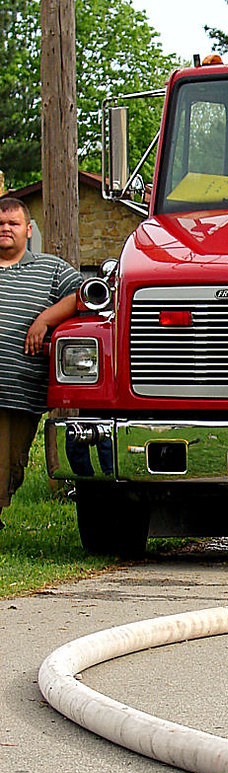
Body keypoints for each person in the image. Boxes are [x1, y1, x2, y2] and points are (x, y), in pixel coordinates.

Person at [0, 196, 82, 530]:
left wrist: (46, 319)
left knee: (7, 464)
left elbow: (88, 293)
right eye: (0, 224)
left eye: (13, 224)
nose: (5, 229)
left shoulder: (50, 269)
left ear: (28, 230)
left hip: (17, 390)